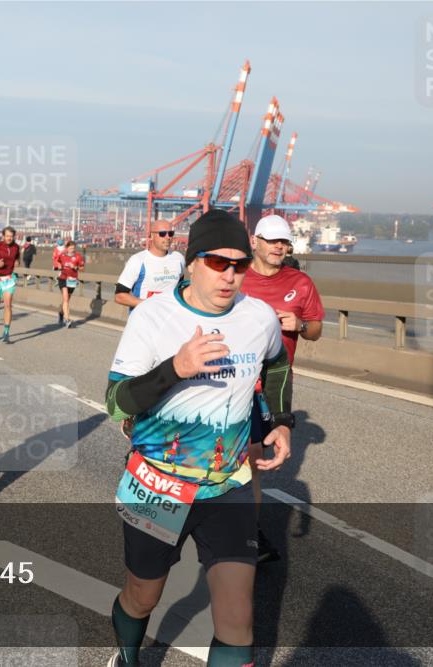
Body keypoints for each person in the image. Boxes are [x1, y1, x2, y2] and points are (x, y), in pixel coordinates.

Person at [104, 209, 293, 667]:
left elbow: (277, 365)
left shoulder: (259, 317)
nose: (229, 275)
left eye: (239, 265)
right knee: (143, 596)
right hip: (159, 486)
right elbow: (115, 403)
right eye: (217, 262)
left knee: (237, 617)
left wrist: (281, 421)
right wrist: (176, 368)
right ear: (191, 263)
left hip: (228, 486)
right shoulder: (152, 317)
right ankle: (127, 657)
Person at [241, 214, 324, 563]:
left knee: (251, 459)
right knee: (232, 454)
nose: (278, 247)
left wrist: (299, 324)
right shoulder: (236, 276)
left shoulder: (300, 282)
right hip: (235, 376)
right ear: (255, 241)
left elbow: (316, 330)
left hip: (276, 379)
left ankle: (248, 534)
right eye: (272, 240)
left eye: (284, 242)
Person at [115, 220, 186, 311]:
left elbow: (180, 288)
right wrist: (150, 305)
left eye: (171, 233)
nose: (168, 237)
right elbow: (119, 296)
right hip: (143, 317)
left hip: (170, 317)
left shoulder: (179, 259)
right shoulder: (138, 260)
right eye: (162, 234)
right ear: (151, 236)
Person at [54, 239, 85, 328]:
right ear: (67, 248)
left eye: (73, 248)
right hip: (63, 278)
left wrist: (75, 267)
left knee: (67, 300)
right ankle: (67, 319)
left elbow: (82, 269)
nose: (72, 250)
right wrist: (58, 265)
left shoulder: (78, 256)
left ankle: (61, 313)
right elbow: (57, 262)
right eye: (71, 248)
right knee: (66, 298)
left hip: (72, 280)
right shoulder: (62, 255)